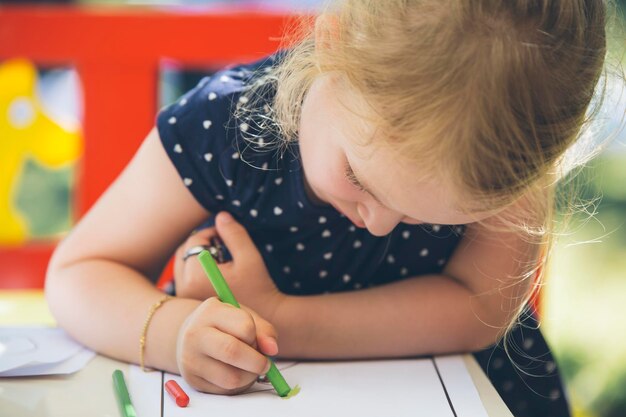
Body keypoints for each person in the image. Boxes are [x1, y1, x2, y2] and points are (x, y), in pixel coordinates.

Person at [46, 1, 608, 416]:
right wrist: (175, 333)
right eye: (359, 178)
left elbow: (479, 309)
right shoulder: (222, 130)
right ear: (333, 47)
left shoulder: (510, 139)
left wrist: (281, 319)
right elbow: (80, 275)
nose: (380, 221)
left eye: (431, 214)